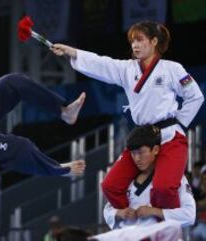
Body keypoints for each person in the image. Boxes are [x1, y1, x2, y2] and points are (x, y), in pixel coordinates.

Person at [51, 21, 204, 209]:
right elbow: (101, 63)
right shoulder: (127, 69)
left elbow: (195, 96)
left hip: (169, 136)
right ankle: (133, 223)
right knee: (110, 186)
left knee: (163, 189)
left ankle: (166, 229)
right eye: (132, 41)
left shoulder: (172, 69)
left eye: (140, 40)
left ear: (154, 41)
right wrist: (73, 52)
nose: (135, 45)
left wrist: (179, 123)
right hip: (141, 137)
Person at [103, 125, 196, 229]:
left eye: (141, 152)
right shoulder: (126, 179)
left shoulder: (174, 178)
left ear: (155, 150)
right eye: (133, 154)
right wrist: (119, 212)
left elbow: (190, 215)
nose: (137, 158)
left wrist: (156, 211)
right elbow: (107, 210)